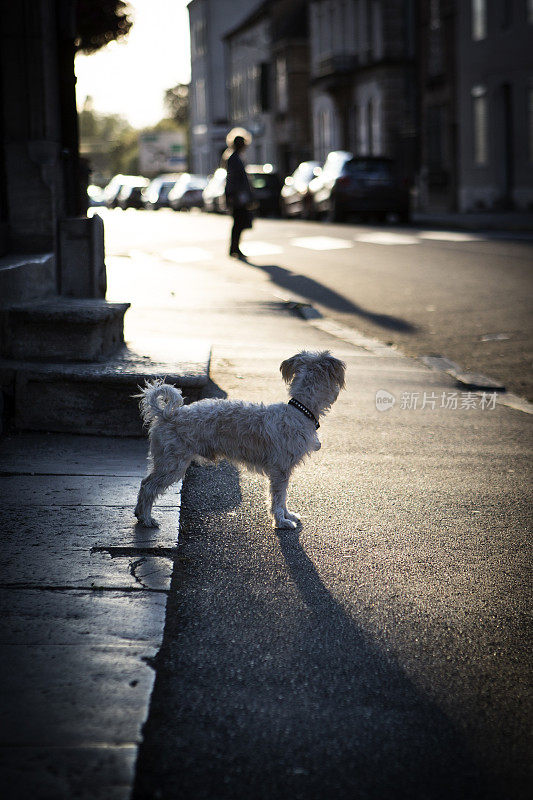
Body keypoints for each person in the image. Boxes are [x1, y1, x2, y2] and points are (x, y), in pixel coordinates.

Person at [223, 128, 254, 259]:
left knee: (239, 222)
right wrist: (232, 196)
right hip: (237, 197)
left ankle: (235, 247)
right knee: (238, 222)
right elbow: (234, 179)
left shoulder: (235, 158)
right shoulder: (234, 159)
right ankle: (234, 248)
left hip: (237, 195)